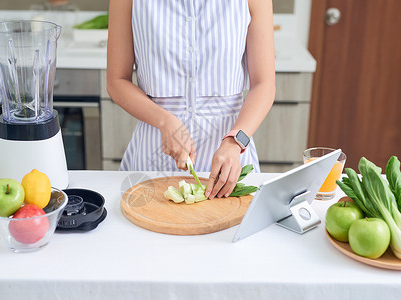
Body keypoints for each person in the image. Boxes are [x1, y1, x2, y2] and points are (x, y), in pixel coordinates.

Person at [107, 0, 275, 199]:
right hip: (153, 155)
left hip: (230, 161)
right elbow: (116, 81)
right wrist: (165, 121)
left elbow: (264, 85)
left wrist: (235, 141)